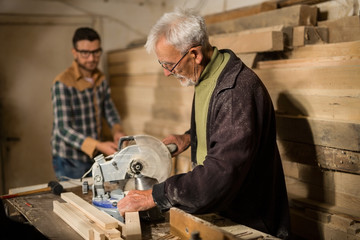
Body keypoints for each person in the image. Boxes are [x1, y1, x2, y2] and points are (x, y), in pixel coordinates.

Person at [117, 8, 290, 239]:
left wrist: (155, 196)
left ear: (195, 55)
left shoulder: (234, 92)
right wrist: (189, 137)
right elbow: (220, 124)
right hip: (223, 209)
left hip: (249, 221)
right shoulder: (210, 73)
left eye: (169, 64)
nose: (168, 73)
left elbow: (219, 175)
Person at [51, 27, 126, 181]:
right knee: (75, 200)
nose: (92, 58)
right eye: (85, 53)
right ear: (74, 52)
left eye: (96, 52)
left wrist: (117, 131)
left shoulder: (100, 78)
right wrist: (99, 145)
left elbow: (109, 110)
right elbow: (63, 129)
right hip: (70, 159)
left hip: (93, 156)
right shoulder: (62, 83)